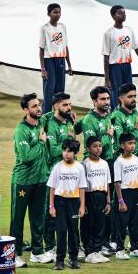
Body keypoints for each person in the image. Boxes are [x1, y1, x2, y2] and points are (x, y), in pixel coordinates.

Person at [10, 94, 55, 267]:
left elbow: (52, 113)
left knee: (38, 219)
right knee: (17, 220)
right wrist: (41, 143)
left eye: (39, 105)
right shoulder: (21, 130)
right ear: (25, 110)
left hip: (40, 181)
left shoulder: (41, 121)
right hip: (23, 182)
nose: (38, 108)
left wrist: (68, 113)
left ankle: (37, 252)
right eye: (34, 106)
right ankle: (14, 254)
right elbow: (26, 156)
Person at [79, 86, 116, 253]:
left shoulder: (107, 116)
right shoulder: (89, 121)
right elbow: (92, 145)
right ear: (94, 101)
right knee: (91, 209)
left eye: (108, 99)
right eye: (103, 99)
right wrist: (108, 136)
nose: (106, 102)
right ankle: (88, 244)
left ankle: (103, 241)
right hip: (92, 166)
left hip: (107, 163)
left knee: (106, 205)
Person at [102, 5, 138, 110]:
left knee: (128, 92)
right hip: (114, 67)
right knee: (116, 94)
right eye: (120, 13)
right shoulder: (108, 33)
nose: (123, 15)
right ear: (113, 16)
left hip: (127, 66)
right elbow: (106, 56)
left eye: (124, 13)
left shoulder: (129, 30)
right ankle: (116, 116)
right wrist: (107, 79)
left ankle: (129, 114)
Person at [43, 92, 76, 255]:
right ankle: (50, 247)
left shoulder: (69, 122)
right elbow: (51, 150)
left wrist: (71, 144)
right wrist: (68, 145)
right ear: (56, 106)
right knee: (51, 212)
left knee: (68, 212)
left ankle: (67, 245)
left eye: (70, 104)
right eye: (65, 105)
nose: (69, 108)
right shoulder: (50, 124)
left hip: (69, 173)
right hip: (53, 174)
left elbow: (74, 147)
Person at [47, 139, 86, 270]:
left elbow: (82, 188)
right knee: (62, 231)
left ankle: (73, 259)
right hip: (60, 202)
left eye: (69, 151)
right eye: (64, 150)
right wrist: (51, 206)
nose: (66, 153)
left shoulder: (79, 167)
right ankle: (59, 261)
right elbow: (52, 188)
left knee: (74, 231)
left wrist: (81, 206)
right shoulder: (57, 167)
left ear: (75, 153)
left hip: (74, 202)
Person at [113, 133, 138, 259]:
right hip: (124, 193)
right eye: (130, 143)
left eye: (134, 143)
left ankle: (135, 248)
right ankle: (120, 249)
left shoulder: (136, 159)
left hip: (135, 193)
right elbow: (117, 182)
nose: (133, 146)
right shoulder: (119, 161)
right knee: (122, 223)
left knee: (134, 223)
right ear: (122, 145)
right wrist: (121, 201)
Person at [82, 136, 112, 264]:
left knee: (100, 224)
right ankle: (89, 252)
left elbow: (107, 183)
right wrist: (82, 203)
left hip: (101, 195)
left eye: (100, 146)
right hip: (89, 196)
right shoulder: (84, 164)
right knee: (89, 224)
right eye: (95, 146)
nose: (98, 148)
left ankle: (97, 250)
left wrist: (108, 201)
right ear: (88, 148)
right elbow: (81, 186)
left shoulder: (104, 163)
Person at [39, 4, 72, 113]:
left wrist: (70, 64)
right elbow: (41, 50)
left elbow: (65, 46)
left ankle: (59, 113)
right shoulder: (45, 28)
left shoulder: (63, 26)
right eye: (55, 12)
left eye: (59, 12)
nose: (57, 14)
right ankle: (45, 115)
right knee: (49, 89)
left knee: (60, 90)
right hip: (49, 61)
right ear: (49, 14)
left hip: (61, 60)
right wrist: (43, 69)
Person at [111, 83, 138, 157]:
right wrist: (137, 130)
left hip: (137, 154)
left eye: (135, 96)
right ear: (121, 98)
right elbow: (121, 139)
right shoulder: (117, 115)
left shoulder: (134, 111)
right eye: (130, 96)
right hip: (124, 157)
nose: (134, 99)